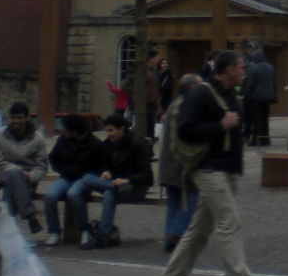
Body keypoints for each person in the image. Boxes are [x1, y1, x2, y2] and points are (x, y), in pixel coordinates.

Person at [156, 51, 270, 276]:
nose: (244, 71)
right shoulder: (201, 94)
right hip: (208, 169)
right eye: (240, 67)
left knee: (200, 229)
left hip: (226, 169)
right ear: (227, 69)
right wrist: (220, 126)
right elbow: (186, 130)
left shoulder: (231, 94)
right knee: (230, 222)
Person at [41, 113, 110, 246]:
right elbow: (54, 157)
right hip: (66, 176)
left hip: (85, 178)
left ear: (75, 131)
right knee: (50, 196)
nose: (62, 132)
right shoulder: (63, 140)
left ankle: (84, 229)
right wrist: (61, 169)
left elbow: (100, 165)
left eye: (65, 129)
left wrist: (90, 175)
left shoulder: (95, 144)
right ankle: (54, 231)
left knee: (73, 194)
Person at [88, 111, 153, 247]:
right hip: (115, 183)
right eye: (107, 131)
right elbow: (103, 164)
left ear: (121, 129)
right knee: (89, 181)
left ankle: (103, 234)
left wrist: (126, 180)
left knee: (107, 193)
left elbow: (146, 175)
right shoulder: (108, 144)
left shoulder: (137, 144)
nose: (109, 134)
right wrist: (105, 171)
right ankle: (104, 234)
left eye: (111, 130)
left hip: (135, 186)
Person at [157, 73, 202, 253]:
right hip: (180, 164)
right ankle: (176, 233)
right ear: (192, 88)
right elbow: (185, 138)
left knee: (174, 202)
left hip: (169, 164)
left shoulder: (175, 105)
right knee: (193, 199)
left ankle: (170, 237)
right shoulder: (185, 107)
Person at [0, 103, 48, 233]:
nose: (16, 121)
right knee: (13, 174)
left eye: (19, 118)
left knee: (9, 193)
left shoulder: (37, 139)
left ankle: (8, 233)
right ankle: (29, 216)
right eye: (13, 118)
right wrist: (17, 171)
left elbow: (42, 165)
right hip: (4, 176)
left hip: (27, 180)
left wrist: (31, 175)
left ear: (27, 118)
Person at [241, 44, 276, 147]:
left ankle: (255, 140)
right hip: (268, 96)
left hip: (256, 97)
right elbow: (273, 82)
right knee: (265, 118)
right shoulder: (270, 67)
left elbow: (250, 84)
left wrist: (246, 96)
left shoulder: (253, 68)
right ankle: (265, 139)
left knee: (256, 119)